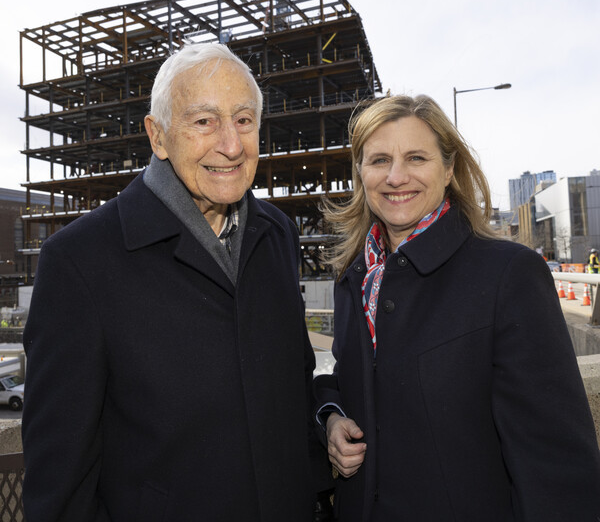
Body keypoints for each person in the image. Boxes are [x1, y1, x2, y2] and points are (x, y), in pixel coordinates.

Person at [22, 43, 326, 522]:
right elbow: (60, 476)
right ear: (158, 136)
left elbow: (293, 384)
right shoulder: (80, 260)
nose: (230, 144)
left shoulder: (278, 233)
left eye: (244, 120)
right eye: (204, 121)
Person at [313, 95, 600, 521]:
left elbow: (555, 460)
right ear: (360, 173)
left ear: (448, 169)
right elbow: (349, 377)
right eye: (378, 160)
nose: (396, 176)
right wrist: (332, 418)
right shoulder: (354, 278)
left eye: (416, 157)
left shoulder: (508, 275)